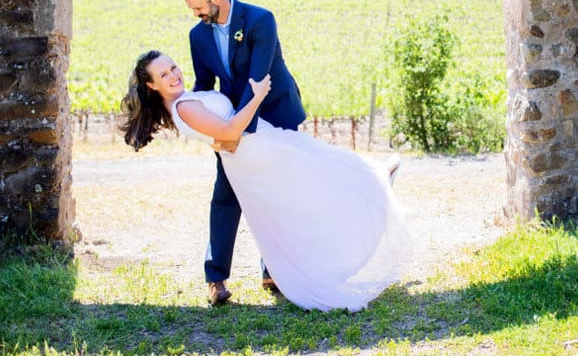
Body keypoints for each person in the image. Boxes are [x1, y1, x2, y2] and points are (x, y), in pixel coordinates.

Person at [119, 50, 411, 312]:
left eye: (172, 68)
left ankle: (371, 185)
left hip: (255, 147)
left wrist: (220, 139)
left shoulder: (183, 102)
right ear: (151, 85)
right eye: (163, 75)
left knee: (317, 177)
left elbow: (221, 135)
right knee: (321, 173)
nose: (173, 75)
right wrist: (258, 94)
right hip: (257, 151)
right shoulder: (184, 108)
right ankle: (373, 184)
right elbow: (231, 131)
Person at [183, 0, 306, 305]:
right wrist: (205, 126)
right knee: (226, 194)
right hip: (232, 122)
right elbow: (205, 85)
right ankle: (216, 279)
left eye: (197, 7)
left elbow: (258, 79)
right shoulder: (198, 35)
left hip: (274, 112)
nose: (195, 14)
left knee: (276, 192)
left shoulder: (259, 19)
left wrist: (235, 133)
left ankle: (274, 270)